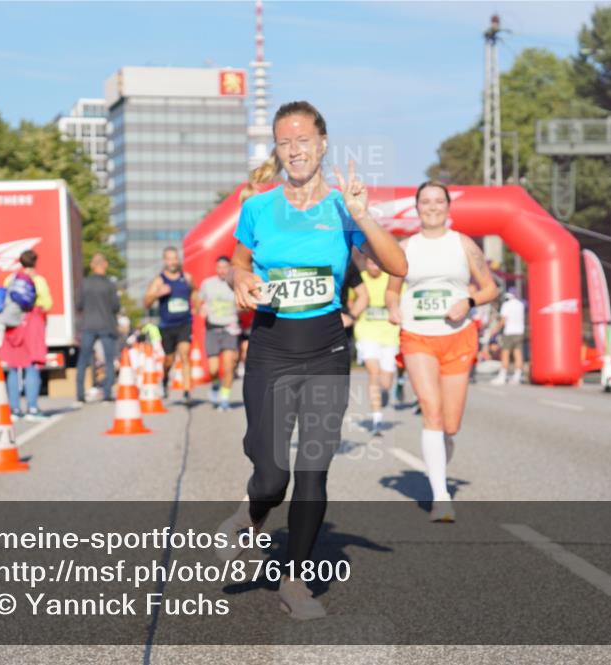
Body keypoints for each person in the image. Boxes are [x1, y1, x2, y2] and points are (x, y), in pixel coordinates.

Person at [216, 101, 406, 619]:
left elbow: (397, 264)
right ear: (276, 151)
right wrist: (239, 279)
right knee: (271, 474)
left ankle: (294, 581)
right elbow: (237, 259)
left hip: (325, 349)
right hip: (272, 347)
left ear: (323, 144)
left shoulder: (345, 207)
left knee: (314, 469)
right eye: (285, 141)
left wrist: (364, 213)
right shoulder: (258, 207)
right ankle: (250, 516)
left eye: (303, 139)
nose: (295, 150)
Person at [385, 181, 499, 523]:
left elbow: (491, 287)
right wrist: (393, 308)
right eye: (425, 202)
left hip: (457, 337)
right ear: (417, 208)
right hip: (417, 335)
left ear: (448, 207)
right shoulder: (404, 247)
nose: (432, 207)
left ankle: (438, 465)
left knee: (450, 424)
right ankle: (441, 496)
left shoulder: (463, 244)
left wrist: (468, 301)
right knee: (431, 412)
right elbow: (392, 291)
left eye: (438, 201)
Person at [0, 249, 53, 421]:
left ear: (20, 262)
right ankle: (32, 408)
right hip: (32, 324)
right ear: (35, 262)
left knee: (13, 367)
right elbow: (47, 303)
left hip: (13, 326)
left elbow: (4, 300)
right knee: (32, 365)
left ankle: (14, 409)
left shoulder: (10, 279)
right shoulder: (38, 280)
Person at [349, 256, 401, 436]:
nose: (374, 267)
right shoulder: (360, 278)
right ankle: (377, 418)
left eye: (377, 263)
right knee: (373, 372)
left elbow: (401, 300)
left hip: (389, 333)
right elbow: (352, 299)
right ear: (366, 263)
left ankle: (385, 391)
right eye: (371, 263)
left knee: (386, 380)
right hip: (366, 331)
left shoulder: (392, 279)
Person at [143, 247, 195, 402]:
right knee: (169, 360)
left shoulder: (186, 277)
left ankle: (186, 392)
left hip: (185, 322)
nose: (173, 262)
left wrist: (198, 304)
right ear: (164, 261)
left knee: (185, 353)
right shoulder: (159, 280)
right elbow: (146, 302)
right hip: (167, 325)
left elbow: (194, 291)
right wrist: (157, 293)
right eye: (169, 259)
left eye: (175, 258)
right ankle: (165, 379)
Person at [75, 253, 121, 404]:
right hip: (107, 325)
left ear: (92, 266)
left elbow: (79, 305)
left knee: (83, 360)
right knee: (108, 360)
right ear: (105, 265)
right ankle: (107, 393)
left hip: (88, 325)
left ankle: (80, 394)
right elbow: (116, 306)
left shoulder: (85, 283)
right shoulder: (109, 284)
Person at [197, 255, 241, 411]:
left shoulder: (235, 283)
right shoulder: (207, 284)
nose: (222, 270)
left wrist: (241, 307)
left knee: (229, 367)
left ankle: (224, 399)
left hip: (230, 328)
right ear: (216, 268)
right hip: (212, 329)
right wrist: (200, 309)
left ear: (229, 268)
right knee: (213, 369)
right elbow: (198, 300)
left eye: (225, 267)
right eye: (219, 267)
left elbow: (243, 304)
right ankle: (216, 385)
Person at [490, 288, 526, 385]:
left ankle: (502, 377)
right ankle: (517, 376)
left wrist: (495, 330)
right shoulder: (521, 305)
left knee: (505, 354)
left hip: (509, 332)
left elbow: (503, 320)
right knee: (518, 354)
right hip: (519, 331)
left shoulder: (506, 305)